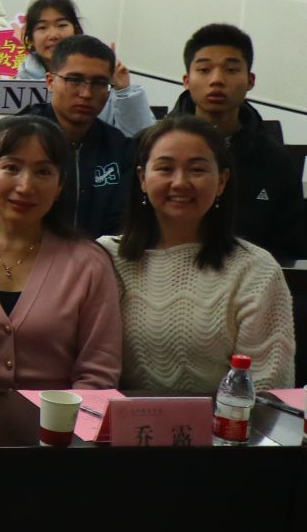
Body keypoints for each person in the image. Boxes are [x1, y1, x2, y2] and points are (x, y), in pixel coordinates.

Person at [0, 114, 122, 393]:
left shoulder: (88, 264)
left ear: (59, 186)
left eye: (43, 172)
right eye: (11, 168)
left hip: (61, 419)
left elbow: (98, 374)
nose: (26, 186)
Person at [105, 116, 295, 392]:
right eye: (165, 168)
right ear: (142, 178)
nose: (180, 182)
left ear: (221, 181)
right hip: (116, 417)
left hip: (223, 419)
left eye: (197, 170)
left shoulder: (255, 270)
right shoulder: (106, 258)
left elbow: (268, 387)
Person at [169, 23, 304, 258]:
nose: (217, 80)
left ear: (250, 80)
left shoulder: (275, 161)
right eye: (204, 70)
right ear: (187, 80)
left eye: (231, 70)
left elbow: (291, 247)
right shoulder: (153, 148)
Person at [21, 35, 133, 238]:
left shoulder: (119, 147)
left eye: (99, 83)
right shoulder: (18, 138)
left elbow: (122, 223)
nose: (86, 93)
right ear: (50, 81)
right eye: (74, 80)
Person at [18, 0, 150, 136]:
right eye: (42, 28)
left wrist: (124, 91)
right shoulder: (16, 87)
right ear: (30, 38)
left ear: (76, 31)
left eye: (62, 25)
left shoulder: (108, 80)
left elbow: (139, 139)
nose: (53, 35)